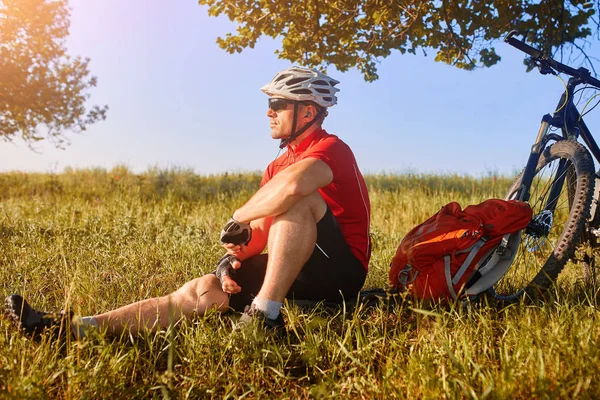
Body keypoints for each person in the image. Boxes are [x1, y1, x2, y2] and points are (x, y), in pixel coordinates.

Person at [4, 66, 371, 338]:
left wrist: (239, 214)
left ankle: (265, 318)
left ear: (307, 112)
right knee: (202, 289)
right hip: (293, 270)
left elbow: (293, 189)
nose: (268, 112)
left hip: (339, 272)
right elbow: (260, 234)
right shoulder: (276, 165)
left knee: (297, 201)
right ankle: (75, 329)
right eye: (269, 104)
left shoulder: (331, 149)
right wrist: (233, 259)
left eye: (277, 104)